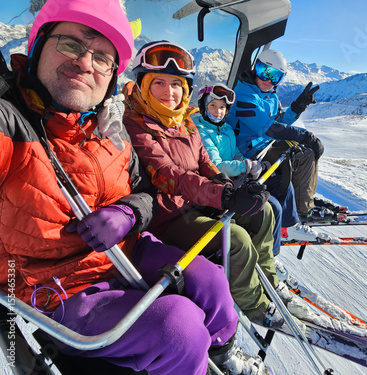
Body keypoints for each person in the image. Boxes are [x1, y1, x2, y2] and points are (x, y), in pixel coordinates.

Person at [0, 1, 269, 374]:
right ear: (38, 45)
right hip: (56, 283)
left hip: (128, 250)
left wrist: (129, 212)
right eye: (70, 44)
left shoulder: (110, 129)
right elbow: (167, 175)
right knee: (180, 327)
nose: (85, 63)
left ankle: (224, 354)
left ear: (111, 76)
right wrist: (220, 195)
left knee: (210, 281)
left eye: (102, 58)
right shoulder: (11, 123)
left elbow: (146, 187)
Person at [122, 41, 296, 331]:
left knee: (263, 213)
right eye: (159, 83)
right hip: (170, 215)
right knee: (237, 239)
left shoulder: (184, 120)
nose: (169, 92)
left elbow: (205, 161)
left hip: (199, 201)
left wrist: (229, 185)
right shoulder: (136, 125)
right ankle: (252, 303)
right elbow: (168, 175)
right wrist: (224, 195)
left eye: (176, 84)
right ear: (143, 84)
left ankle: (268, 280)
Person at [194, 83, 329, 255]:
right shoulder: (201, 130)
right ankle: (269, 256)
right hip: (222, 182)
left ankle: (291, 225)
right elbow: (217, 166)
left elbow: (235, 153)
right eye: (213, 105)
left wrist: (251, 164)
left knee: (280, 183)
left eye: (222, 107)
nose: (218, 111)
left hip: (238, 176)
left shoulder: (226, 127)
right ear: (203, 106)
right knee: (271, 206)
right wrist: (246, 166)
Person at [226, 49, 348, 224]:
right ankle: (303, 211)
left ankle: (305, 199)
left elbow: (280, 122)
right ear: (255, 69)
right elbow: (268, 128)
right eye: (264, 72)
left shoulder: (270, 96)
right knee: (296, 157)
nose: (269, 80)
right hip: (246, 152)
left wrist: (297, 107)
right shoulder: (244, 94)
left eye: (276, 77)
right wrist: (305, 136)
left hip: (263, 146)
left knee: (305, 154)